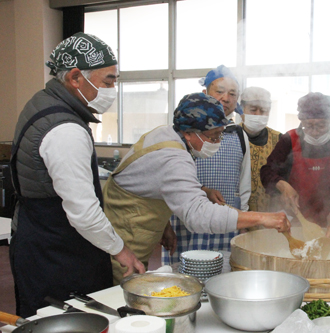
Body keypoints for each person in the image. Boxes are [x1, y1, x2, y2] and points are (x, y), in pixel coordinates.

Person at [9, 32, 145, 317]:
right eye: (108, 80)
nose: (112, 89)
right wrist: (121, 251)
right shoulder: (65, 129)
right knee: (65, 318)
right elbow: (83, 213)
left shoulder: (43, 102)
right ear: (74, 78)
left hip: (39, 238)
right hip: (57, 251)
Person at [104, 92, 289, 284]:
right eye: (213, 137)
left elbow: (151, 181)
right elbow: (198, 215)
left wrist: (197, 194)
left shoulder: (165, 133)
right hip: (125, 232)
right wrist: (262, 218)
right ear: (188, 133)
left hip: (135, 222)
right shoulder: (175, 158)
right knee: (121, 289)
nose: (217, 143)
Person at [162, 65, 251, 266]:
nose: (226, 98)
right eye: (219, 91)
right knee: (184, 273)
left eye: (232, 94)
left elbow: (243, 184)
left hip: (225, 220)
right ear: (205, 94)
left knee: (223, 272)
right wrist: (163, 223)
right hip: (185, 221)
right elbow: (164, 184)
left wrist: (243, 220)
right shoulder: (182, 133)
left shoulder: (239, 135)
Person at [260, 92, 330, 239]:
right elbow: (267, 172)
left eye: (321, 126)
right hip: (293, 221)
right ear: (301, 121)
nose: (315, 132)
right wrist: (282, 185)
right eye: (309, 126)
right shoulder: (289, 140)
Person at [240, 87, 282, 212]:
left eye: (264, 110)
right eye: (253, 110)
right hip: (237, 213)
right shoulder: (230, 136)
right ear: (242, 110)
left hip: (272, 212)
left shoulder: (279, 139)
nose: (258, 115)